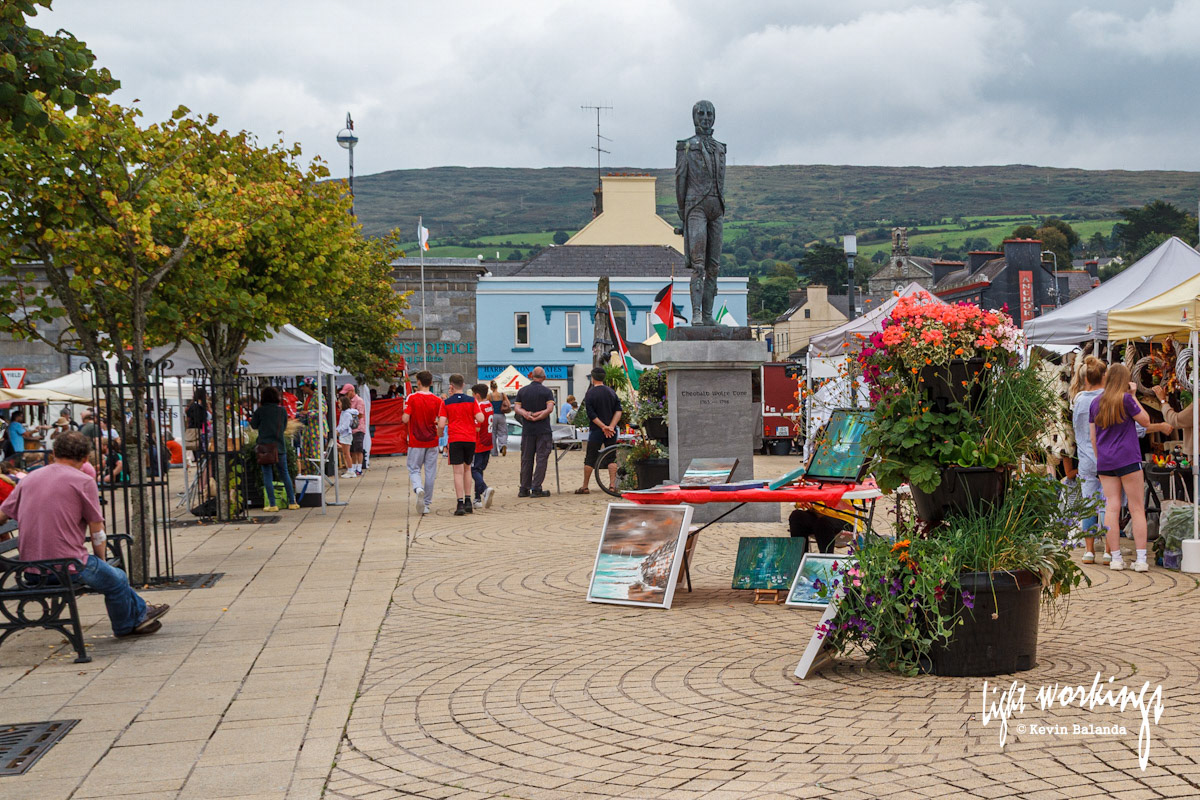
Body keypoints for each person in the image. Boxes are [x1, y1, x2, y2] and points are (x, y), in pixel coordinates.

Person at [0, 431, 169, 637]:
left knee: (114, 577)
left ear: (54, 453)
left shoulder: (29, 479)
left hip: (30, 570)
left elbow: (2, 514)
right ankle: (126, 626)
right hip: (66, 567)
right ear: (86, 458)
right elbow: (97, 531)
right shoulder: (83, 481)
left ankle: (140, 614)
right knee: (117, 578)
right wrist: (101, 561)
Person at [1089, 363, 1171, 572]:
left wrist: (1101, 460)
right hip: (1127, 458)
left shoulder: (1096, 403)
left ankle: (1115, 557)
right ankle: (1141, 558)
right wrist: (1133, 395)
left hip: (1106, 461)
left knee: (1111, 507)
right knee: (1136, 508)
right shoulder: (1126, 400)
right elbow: (1144, 421)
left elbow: (1093, 438)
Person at [675, 99, 726, 325]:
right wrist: (683, 213)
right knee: (698, 264)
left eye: (709, 114)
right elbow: (680, 180)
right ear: (694, 117)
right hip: (695, 206)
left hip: (717, 208)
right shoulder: (685, 146)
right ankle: (696, 314)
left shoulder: (721, 147)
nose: (705, 118)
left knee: (713, 265)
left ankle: (708, 315)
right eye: (701, 114)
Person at [1071, 356, 1109, 564]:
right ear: (1104, 376)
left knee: (1088, 503)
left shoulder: (1079, 401)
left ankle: (1089, 550)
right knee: (1108, 504)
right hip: (1107, 457)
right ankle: (1109, 551)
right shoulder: (1108, 398)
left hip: (1085, 459)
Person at [402, 371, 446, 515]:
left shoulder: (412, 398)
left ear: (418, 382)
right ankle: (426, 504)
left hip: (416, 440)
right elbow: (441, 422)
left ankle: (418, 488)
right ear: (431, 383)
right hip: (432, 440)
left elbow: (405, 419)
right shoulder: (438, 400)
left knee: (414, 468)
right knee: (430, 472)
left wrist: (404, 411)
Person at [250, 386, 298, 512]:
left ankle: (272, 504)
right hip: (280, 446)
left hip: (265, 447)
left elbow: (254, 425)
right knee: (285, 473)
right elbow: (283, 427)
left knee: (267, 475)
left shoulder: (260, 411)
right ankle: (292, 502)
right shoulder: (281, 411)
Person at [577, 368, 622, 494]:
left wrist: (603, 427)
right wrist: (611, 426)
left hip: (596, 430)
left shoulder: (590, 393)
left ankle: (585, 486)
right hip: (611, 431)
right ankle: (612, 485)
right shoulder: (612, 392)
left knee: (590, 458)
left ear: (592, 378)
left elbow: (591, 414)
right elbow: (619, 410)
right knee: (611, 457)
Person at [444, 375, 484, 516]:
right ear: (463, 385)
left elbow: (442, 423)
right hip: (470, 439)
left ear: (451, 386)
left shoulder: (446, 403)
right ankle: (468, 501)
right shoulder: (472, 401)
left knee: (457, 472)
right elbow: (481, 418)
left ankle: (459, 503)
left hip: (455, 439)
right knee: (468, 470)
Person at [514, 367, 555, 498]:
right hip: (543, 430)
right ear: (544, 377)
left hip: (527, 430)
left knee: (526, 459)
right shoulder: (547, 392)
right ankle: (536, 487)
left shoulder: (522, 391)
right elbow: (549, 409)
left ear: (531, 376)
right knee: (541, 459)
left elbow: (516, 408)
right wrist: (539, 415)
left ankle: (524, 488)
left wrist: (526, 414)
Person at [471, 383, 496, 509]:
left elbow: (476, 427)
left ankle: (485, 489)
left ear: (477, 395)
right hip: (488, 442)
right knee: (479, 470)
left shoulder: (479, 407)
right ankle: (477, 498)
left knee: (474, 470)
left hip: (478, 443)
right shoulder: (489, 405)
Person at [338, 384, 368, 478]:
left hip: (358, 428)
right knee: (352, 450)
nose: (346, 395)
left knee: (358, 448)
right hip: (351, 430)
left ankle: (359, 468)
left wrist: (350, 415)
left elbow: (360, 414)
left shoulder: (359, 401)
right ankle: (353, 467)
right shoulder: (348, 402)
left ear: (352, 391)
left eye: (346, 393)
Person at [335, 395, 357, 474]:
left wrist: (338, 431)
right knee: (345, 453)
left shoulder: (346, 414)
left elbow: (345, 425)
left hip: (346, 434)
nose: (338, 404)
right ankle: (350, 469)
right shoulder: (344, 413)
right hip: (344, 435)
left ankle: (351, 470)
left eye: (340, 403)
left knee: (346, 453)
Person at [488, 381, 511, 456]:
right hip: (501, 415)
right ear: (497, 387)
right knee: (503, 431)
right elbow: (509, 404)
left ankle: (494, 452)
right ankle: (502, 445)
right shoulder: (502, 394)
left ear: (491, 388)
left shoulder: (489, 396)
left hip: (493, 415)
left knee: (493, 433)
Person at [185, 388, 208, 459]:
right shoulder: (197, 407)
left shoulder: (195, 406)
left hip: (197, 428)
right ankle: (199, 460)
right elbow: (198, 418)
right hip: (198, 429)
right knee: (198, 446)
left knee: (198, 446)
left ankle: (198, 459)